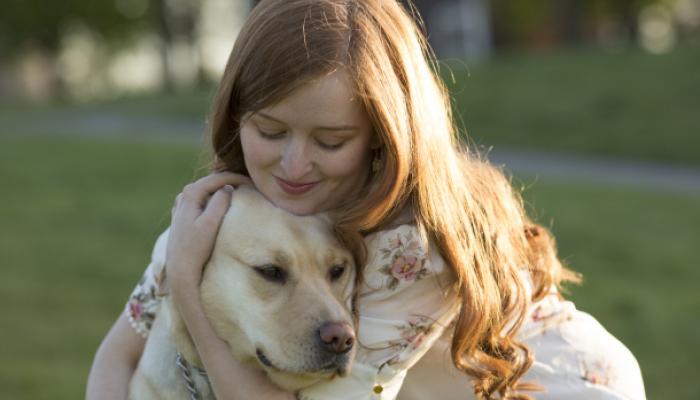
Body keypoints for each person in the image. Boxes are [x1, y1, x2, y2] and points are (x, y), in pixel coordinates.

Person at [86, 0, 646, 399]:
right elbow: (119, 356)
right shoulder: (225, 212)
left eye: (331, 141)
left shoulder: (415, 246)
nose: (294, 165)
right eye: (271, 131)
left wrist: (185, 280)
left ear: (383, 138)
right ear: (236, 117)